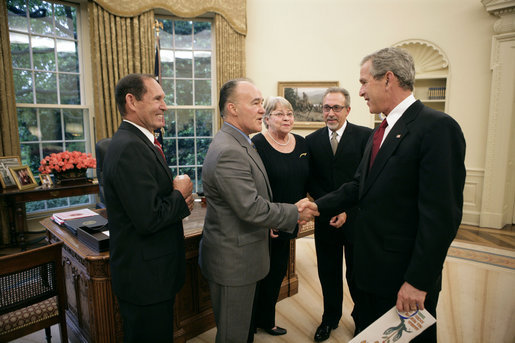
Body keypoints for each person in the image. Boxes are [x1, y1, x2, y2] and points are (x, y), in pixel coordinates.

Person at [299, 47, 466, 342]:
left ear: (388, 79)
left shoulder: (437, 128)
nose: (361, 91)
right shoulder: (382, 129)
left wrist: (417, 281)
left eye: (364, 82)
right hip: (371, 269)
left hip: (402, 276)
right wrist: (316, 207)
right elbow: (358, 185)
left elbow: (441, 217)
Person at [199, 78, 318, 343]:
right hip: (234, 262)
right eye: (255, 103)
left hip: (245, 256)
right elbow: (250, 207)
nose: (262, 110)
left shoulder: (242, 142)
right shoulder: (230, 149)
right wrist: (294, 212)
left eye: (262, 104)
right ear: (232, 108)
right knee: (234, 335)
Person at [103, 73, 194, 342]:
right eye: (158, 98)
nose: (164, 106)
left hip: (154, 275)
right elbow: (149, 218)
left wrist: (179, 199)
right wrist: (180, 195)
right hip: (145, 280)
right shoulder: (130, 147)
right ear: (132, 101)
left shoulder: (142, 142)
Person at [306, 87, 372, 342]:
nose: (330, 113)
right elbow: (310, 180)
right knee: (328, 273)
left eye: (336, 108)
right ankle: (329, 319)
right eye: (326, 108)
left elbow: (366, 181)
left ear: (348, 110)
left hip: (355, 219)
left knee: (357, 274)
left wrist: (345, 210)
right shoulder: (311, 141)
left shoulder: (366, 137)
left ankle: (362, 320)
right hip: (325, 220)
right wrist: (328, 208)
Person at [250, 96, 310, 338]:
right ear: (266, 119)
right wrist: (266, 221)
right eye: (279, 113)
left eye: (290, 113)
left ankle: (267, 319)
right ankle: (249, 322)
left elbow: (308, 181)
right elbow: (253, 187)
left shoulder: (303, 144)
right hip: (265, 223)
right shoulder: (257, 144)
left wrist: (307, 210)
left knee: (276, 273)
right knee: (258, 275)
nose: (287, 117)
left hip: (290, 222)